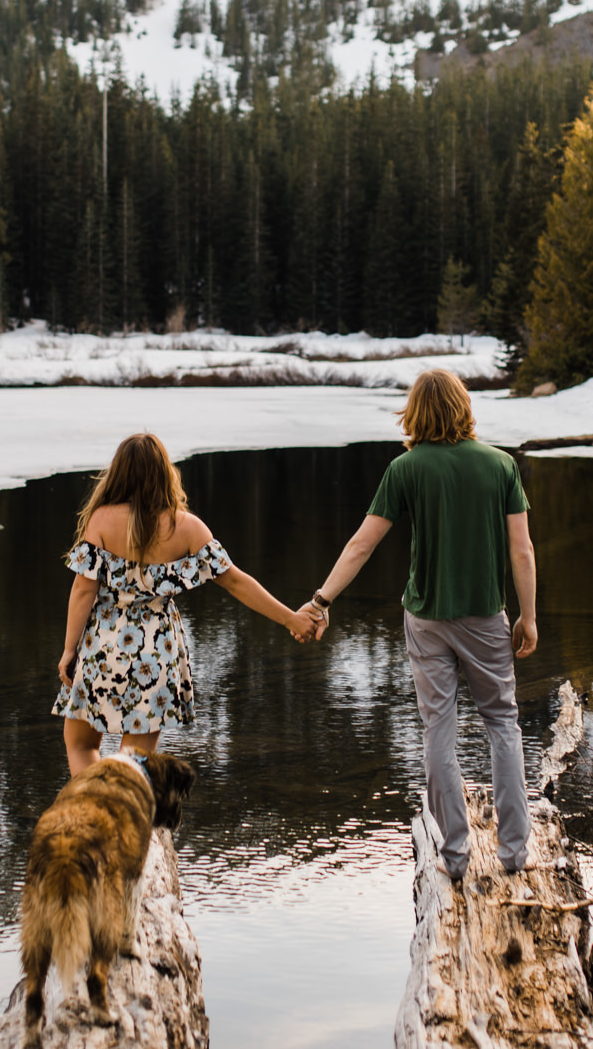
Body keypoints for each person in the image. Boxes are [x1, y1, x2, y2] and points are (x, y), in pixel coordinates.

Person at [310, 369, 538, 878]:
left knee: (439, 727)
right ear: (464, 407)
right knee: (502, 722)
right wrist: (529, 615)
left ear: (414, 413)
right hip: (485, 616)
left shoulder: (406, 469)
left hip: (427, 619)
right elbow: (521, 550)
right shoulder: (500, 465)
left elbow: (361, 545)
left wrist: (322, 599)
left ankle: (455, 856)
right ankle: (515, 853)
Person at [54, 432, 322, 778]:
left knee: (80, 743)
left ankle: (94, 810)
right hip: (157, 652)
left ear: (118, 473)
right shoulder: (187, 527)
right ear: (166, 472)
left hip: (103, 646)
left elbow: (82, 591)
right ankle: (127, 814)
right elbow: (236, 582)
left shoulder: (102, 520)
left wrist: (68, 649)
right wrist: (292, 619)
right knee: (133, 762)